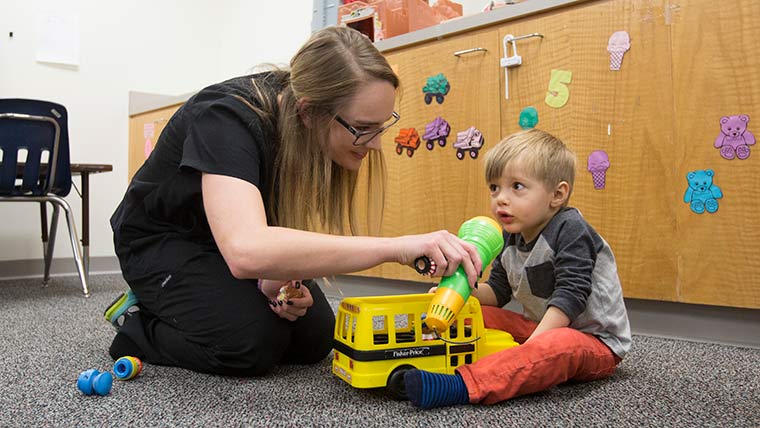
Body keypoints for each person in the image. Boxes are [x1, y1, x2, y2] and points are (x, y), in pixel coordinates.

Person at [106, 26, 483, 377]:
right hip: (160, 244)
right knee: (250, 342)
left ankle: (202, 304)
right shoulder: (224, 119)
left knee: (315, 338)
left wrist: (274, 280)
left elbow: (263, 230)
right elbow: (246, 250)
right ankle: (139, 323)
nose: (376, 144)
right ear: (307, 111)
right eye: (362, 128)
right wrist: (396, 248)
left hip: (223, 241)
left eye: (381, 126)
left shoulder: (300, 122)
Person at [404, 129, 632, 408]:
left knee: (556, 345)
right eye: (494, 188)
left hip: (595, 342)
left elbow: (571, 297)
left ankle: (462, 385)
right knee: (474, 313)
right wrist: (463, 291)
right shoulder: (509, 236)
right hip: (542, 327)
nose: (501, 198)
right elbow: (498, 292)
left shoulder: (571, 229)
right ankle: (422, 350)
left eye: (517, 187)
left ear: (557, 194)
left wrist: (532, 349)